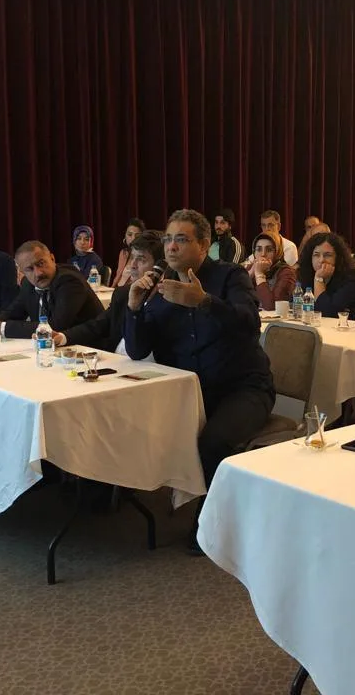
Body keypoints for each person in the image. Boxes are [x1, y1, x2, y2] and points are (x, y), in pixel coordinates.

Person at [125, 209, 274, 521]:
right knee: (129, 420)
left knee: (212, 443)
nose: (171, 247)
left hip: (243, 388)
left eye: (181, 240)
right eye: (168, 239)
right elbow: (138, 351)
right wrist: (135, 309)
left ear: (204, 245)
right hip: (189, 393)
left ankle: (209, 525)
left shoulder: (230, 276)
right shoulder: (160, 287)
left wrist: (204, 301)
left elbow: (250, 324)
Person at [54, 231, 163, 354]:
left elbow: (139, 349)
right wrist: (62, 337)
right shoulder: (123, 293)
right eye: (132, 257)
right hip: (116, 359)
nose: (132, 265)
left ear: (159, 267)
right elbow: (99, 325)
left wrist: (134, 309)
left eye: (141, 260)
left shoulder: (165, 302)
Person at [0, 241, 102, 339]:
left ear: (52, 259)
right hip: (52, 350)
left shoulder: (69, 281)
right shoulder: (28, 284)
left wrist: (2, 327)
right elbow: (13, 313)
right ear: (21, 272)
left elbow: (55, 326)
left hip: (89, 349)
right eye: (30, 269)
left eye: (41, 263)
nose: (38, 273)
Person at [298, 232, 355, 320]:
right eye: (316, 255)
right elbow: (295, 305)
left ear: (337, 258)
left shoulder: (351, 278)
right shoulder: (306, 274)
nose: (321, 260)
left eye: (327, 255)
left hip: (348, 326)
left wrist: (319, 280)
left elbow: (327, 313)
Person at [247, 232, 297, 311]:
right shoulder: (252, 268)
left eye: (269, 250)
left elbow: (272, 307)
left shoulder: (286, 273)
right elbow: (233, 297)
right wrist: (250, 274)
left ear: (277, 252)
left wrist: (259, 275)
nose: (263, 254)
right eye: (259, 249)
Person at [112, 218, 145, 287]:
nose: (133, 238)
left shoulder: (143, 256)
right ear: (125, 236)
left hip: (130, 291)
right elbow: (118, 276)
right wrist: (111, 289)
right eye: (130, 235)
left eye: (137, 236)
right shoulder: (123, 253)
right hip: (117, 289)